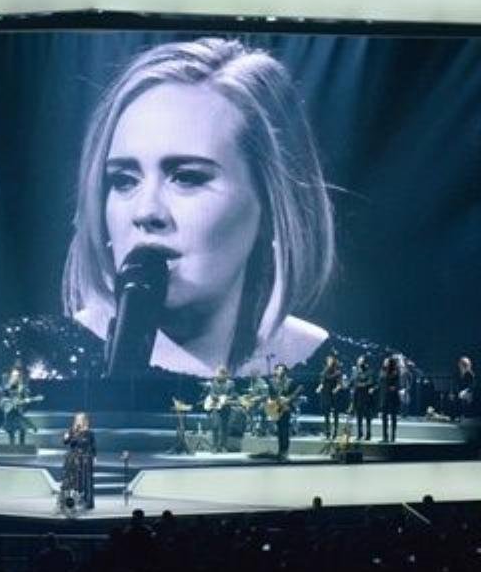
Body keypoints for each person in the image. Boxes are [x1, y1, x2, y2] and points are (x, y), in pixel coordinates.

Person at [61, 37, 337, 378]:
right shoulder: (34, 364)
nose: (146, 212)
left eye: (187, 178)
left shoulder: (339, 371)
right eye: (124, 180)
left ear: (270, 205)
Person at [61, 412, 96, 510]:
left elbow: (93, 446)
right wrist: (66, 437)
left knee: (86, 481)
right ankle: (71, 501)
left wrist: (94, 457)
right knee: (73, 481)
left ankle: (87, 502)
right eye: (77, 419)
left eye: (80, 419)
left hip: (85, 459)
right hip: (73, 458)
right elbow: (65, 442)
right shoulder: (72, 431)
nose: (78, 421)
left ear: (84, 420)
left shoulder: (89, 432)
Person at [1, 363, 38, 447]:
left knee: (22, 429)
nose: (15, 377)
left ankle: (22, 446)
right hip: (10, 413)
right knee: (11, 431)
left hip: (19, 412)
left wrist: (27, 400)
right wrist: (8, 402)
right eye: (13, 375)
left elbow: (26, 398)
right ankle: (12, 446)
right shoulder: (6, 388)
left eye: (17, 376)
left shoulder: (22, 388)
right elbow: (2, 398)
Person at [202, 365, 238, 451]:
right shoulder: (214, 382)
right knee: (215, 426)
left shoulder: (231, 383)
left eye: (218, 374)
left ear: (224, 375)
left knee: (225, 427)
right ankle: (215, 446)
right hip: (216, 407)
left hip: (226, 408)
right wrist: (218, 398)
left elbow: (233, 395)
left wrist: (226, 398)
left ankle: (223, 446)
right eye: (216, 374)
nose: (216, 376)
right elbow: (212, 393)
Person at [267, 364, 298, 459]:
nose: (279, 371)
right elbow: (270, 394)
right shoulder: (271, 382)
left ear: (285, 371)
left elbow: (294, 394)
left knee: (285, 429)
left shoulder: (289, 381)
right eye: (278, 369)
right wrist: (271, 402)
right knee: (279, 430)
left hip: (286, 407)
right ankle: (280, 450)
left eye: (281, 369)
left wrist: (287, 399)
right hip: (276, 406)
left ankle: (285, 450)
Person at [316, 354, 344, 441]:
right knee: (326, 414)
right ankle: (327, 432)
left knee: (335, 414)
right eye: (328, 360)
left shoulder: (337, 372)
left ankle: (335, 432)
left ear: (334, 361)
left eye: (330, 360)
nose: (329, 362)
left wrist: (336, 389)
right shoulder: (324, 371)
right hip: (326, 393)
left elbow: (340, 383)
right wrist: (319, 387)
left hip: (334, 394)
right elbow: (322, 381)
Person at [352, 355, 376, 441]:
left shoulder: (369, 371)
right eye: (359, 361)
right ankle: (359, 433)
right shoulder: (355, 371)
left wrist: (359, 384)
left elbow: (370, 382)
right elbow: (352, 381)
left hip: (366, 397)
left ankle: (368, 433)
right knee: (359, 416)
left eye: (361, 361)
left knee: (367, 416)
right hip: (357, 396)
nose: (359, 362)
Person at [379, 356, 401, 442]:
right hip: (384, 397)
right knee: (384, 417)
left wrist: (394, 387)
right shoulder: (382, 372)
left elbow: (397, 385)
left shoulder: (395, 372)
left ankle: (393, 435)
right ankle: (385, 436)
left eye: (386, 361)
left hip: (392, 397)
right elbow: (381, 383)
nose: (385, 363)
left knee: (393, 417)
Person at [454, 356, 475, 421]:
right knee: (453, 396)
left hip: (469, 392)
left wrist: (465, 391)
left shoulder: (470, 374)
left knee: (463, 396)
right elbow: (455, 384)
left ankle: (464, 415)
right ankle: (455, 414)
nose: (460, 365)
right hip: (460, 391)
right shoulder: (457, 374)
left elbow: (472, 386)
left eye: (461, 364)